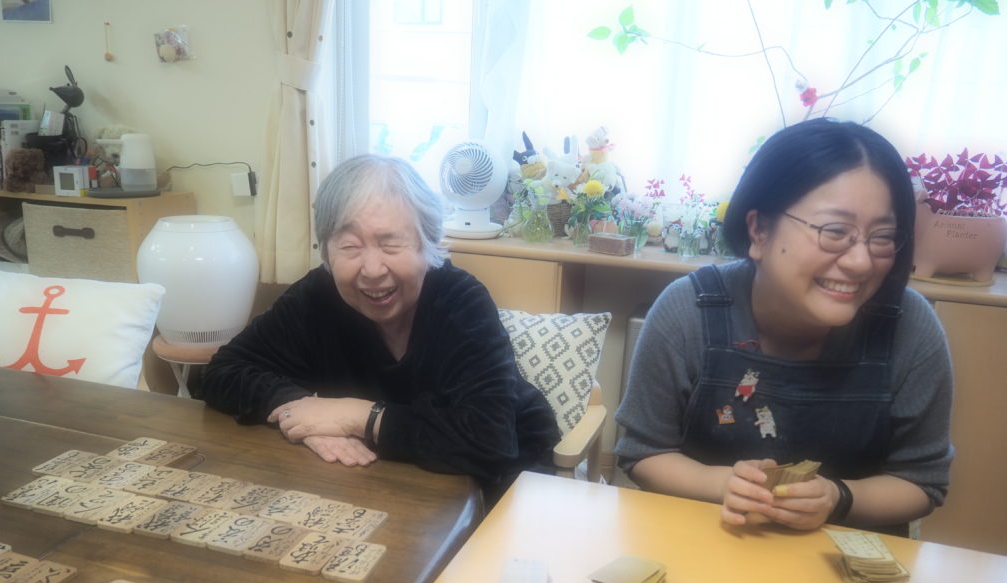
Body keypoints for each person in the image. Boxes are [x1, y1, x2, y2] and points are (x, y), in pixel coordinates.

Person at [616, 119, 953, 534]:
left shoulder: (909, 326)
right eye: (835, 231)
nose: (861, 262)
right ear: (759, 229)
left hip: (844, 559)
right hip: (709, 544)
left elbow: (922, 481)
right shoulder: (690, 310)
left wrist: (838, 498)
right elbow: (643, 453)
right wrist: (722, 485)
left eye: (882, 236)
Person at [202, 155, 559, 504]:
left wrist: (358, 417)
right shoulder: (316, 297)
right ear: (326, 251)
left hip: (507, 487)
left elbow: (490, 443)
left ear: (428, 243)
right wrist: (301, 411)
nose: (372, 270)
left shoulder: (461, 301)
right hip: (383, 482)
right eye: (350, 246)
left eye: (391, 244)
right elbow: (222, 372)